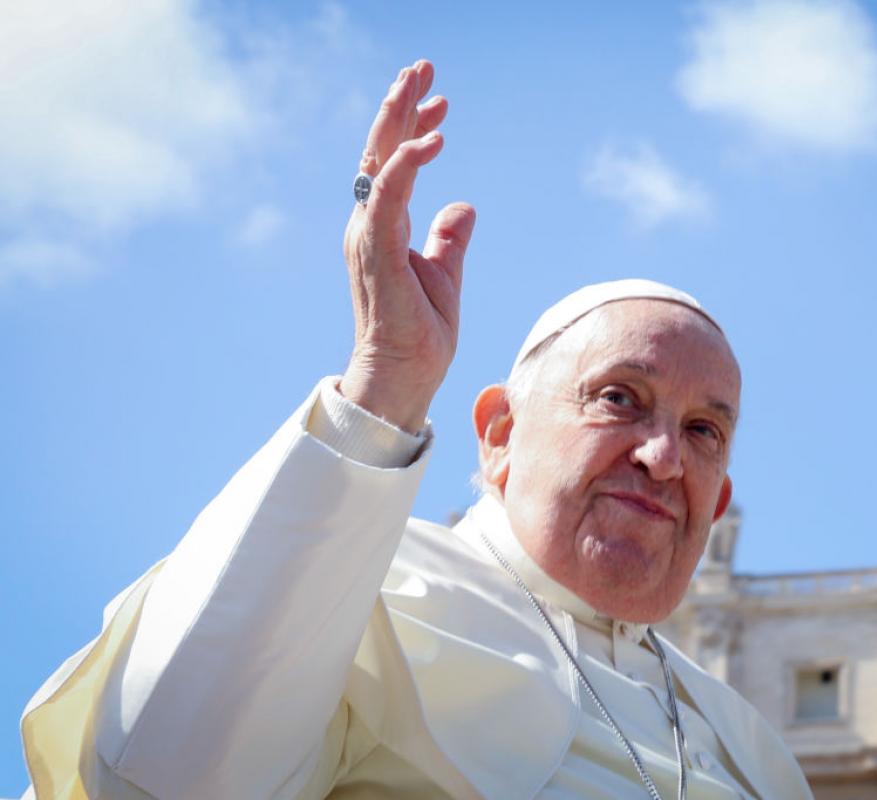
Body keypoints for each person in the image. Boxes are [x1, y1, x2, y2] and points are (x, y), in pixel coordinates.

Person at [20, 61, 812, 800]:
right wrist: (387, 380)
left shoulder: (749, 744)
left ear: (720, 502)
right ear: (499, 433)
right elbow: (164, 774)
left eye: (705, 431)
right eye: (618, 397)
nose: (664, 456)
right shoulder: (361, 592)